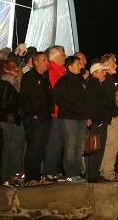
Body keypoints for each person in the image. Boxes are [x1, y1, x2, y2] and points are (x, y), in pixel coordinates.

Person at [53, 55, 90, 183]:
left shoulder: (81, 80)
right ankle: (70, 174)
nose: (80, 66)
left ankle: (77, 173)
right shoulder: (63, 81)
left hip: (81, 118)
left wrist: (87, 115)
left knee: (79, 147)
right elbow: (59, 99)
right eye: (77, 64)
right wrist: (73, 109)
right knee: (70, 145)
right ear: (69, 66)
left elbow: (85, 99)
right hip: (69, 118)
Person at [20, 52, 55, 186]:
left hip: (45, 117)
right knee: (34, 147)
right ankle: (30, 177)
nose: (47, 62)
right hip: (35, 119)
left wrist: (49, 112)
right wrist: (33, 113)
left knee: (41, 147)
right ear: (36, 62)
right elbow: (25, 98)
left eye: (47, 60)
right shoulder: (29, 77)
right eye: (44, 60)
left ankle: (38, 175)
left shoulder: (44, 77)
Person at [0, 58, 25, 185]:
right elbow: (5, 104)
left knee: (17, 148)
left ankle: (16, 174)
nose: (17, 69)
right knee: (8, 148)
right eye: (14, 67)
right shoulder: (6, 84)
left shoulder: (15, 83)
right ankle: (6, 177)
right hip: (9, 120)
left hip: (16, 119)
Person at [43, 45, 66, 180]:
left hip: (61, 112)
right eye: (63, 55)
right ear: (56, 56)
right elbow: (57, 93)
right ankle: (48, 171)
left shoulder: (61, 70)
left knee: (58, 143)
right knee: (54, 143)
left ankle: (53, 169)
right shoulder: (52, 70)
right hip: (56, 112)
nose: (65, 57)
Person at [85, 63, 110, 182]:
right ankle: (93, 175)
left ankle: (94, 174)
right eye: (102, 71)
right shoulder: (94, 84)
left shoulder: (93, 84)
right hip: (98, 121)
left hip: (98, 120)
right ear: (95, 73)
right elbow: (97, 103)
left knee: (96, 148)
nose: (104, 72)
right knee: (96, 148)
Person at [99, 53, 118, 181]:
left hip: (107, 117)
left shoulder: (104, 80)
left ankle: (103, 170)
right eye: (114, 62)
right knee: (112, 145)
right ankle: (108, 172)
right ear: (106, 65)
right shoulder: (108, 81)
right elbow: (107, 102)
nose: (116, 65)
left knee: (106, 144)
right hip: (110, 118)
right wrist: (112, 116)